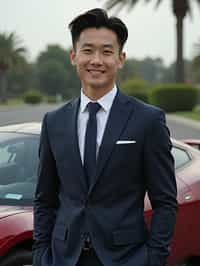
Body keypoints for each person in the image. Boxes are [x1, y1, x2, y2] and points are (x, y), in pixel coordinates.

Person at [33, 8, 177, 266]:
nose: (96, 60)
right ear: (73, 56)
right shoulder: (53, 122)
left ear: (120, 59)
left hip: (127, 258)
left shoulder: (148, 120)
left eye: (107, 51)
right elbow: (45, 198)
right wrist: (41, 254)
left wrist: (153, 258)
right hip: (62, 257)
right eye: (87, 50)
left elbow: (165, 201)